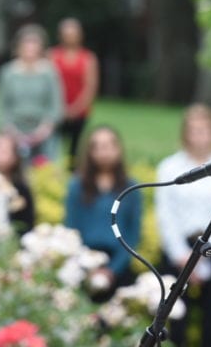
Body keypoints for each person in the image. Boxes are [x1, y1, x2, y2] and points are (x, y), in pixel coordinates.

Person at [155, 104, 211, 347]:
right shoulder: (170, 167)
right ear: (185, 133)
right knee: (174, 320)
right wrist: (181, 255)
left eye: (205, 130)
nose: (200, 136)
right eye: (194, 130)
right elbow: (166, 215)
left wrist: (203, 257)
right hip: (178, 251)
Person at [64, 126, 141, 301]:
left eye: (108, 146)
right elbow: (71, 227)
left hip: (118, 263)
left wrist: (113, 270)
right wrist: (86, 265)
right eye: (97, 147)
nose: (103, 152)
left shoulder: (131, 188)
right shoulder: (78, 186)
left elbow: (133, 234)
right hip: (84, 262)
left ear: (118, 149)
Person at [0, 24, 62, 166]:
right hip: (14, 130)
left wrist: (43, 131)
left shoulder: (50, 72)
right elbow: (3, 107)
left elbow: (56, 106)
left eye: (34, 44)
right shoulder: (8, 72)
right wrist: (13, 133)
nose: (30, 48)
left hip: (43, 131)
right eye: (27, 43)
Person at [49, 18, 99, 171]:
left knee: (75, 149)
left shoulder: (88, 58)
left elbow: (90, 87)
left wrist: (74, 110)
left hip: (80, 112)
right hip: (55, 110)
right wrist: (60, 108)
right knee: (53, 148)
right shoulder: (52, 55)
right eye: (66, 33)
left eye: (73, 33)